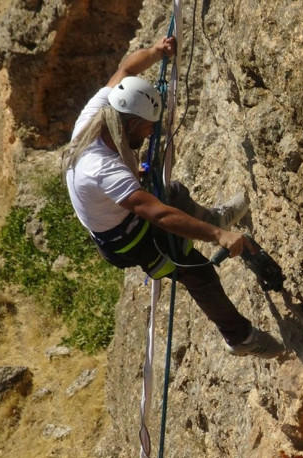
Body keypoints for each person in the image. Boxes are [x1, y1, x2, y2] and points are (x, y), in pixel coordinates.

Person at [63, 36, 282, 358]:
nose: (151, 133)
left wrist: (156, 52)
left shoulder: (101, 110)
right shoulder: (101, 168)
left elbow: (126, 67)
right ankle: (241, 338)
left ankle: (212, 218)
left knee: (173, 191)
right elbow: (159, 216)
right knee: (197, 271)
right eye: (149, 127)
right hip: (125, 242)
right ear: (133, 122)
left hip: (119, 216)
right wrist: (219, 236)